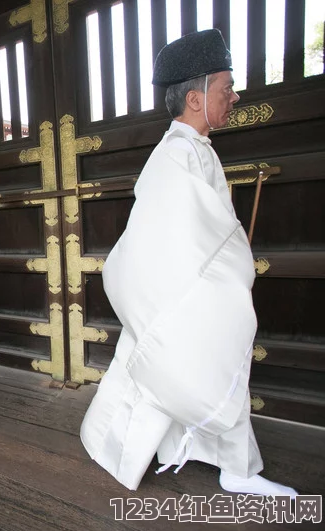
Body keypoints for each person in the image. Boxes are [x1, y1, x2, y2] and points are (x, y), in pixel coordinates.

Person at [79, 29, 297, 497]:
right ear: (196, 98)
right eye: (227, 88)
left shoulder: (190, 150)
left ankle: (220, 461)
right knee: (193, 364)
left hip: (183, 293)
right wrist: (231, 258)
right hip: (178, 295)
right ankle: (233, 469)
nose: (235, 96)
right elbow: (180, 238)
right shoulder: (176, 156)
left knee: (177, 368)